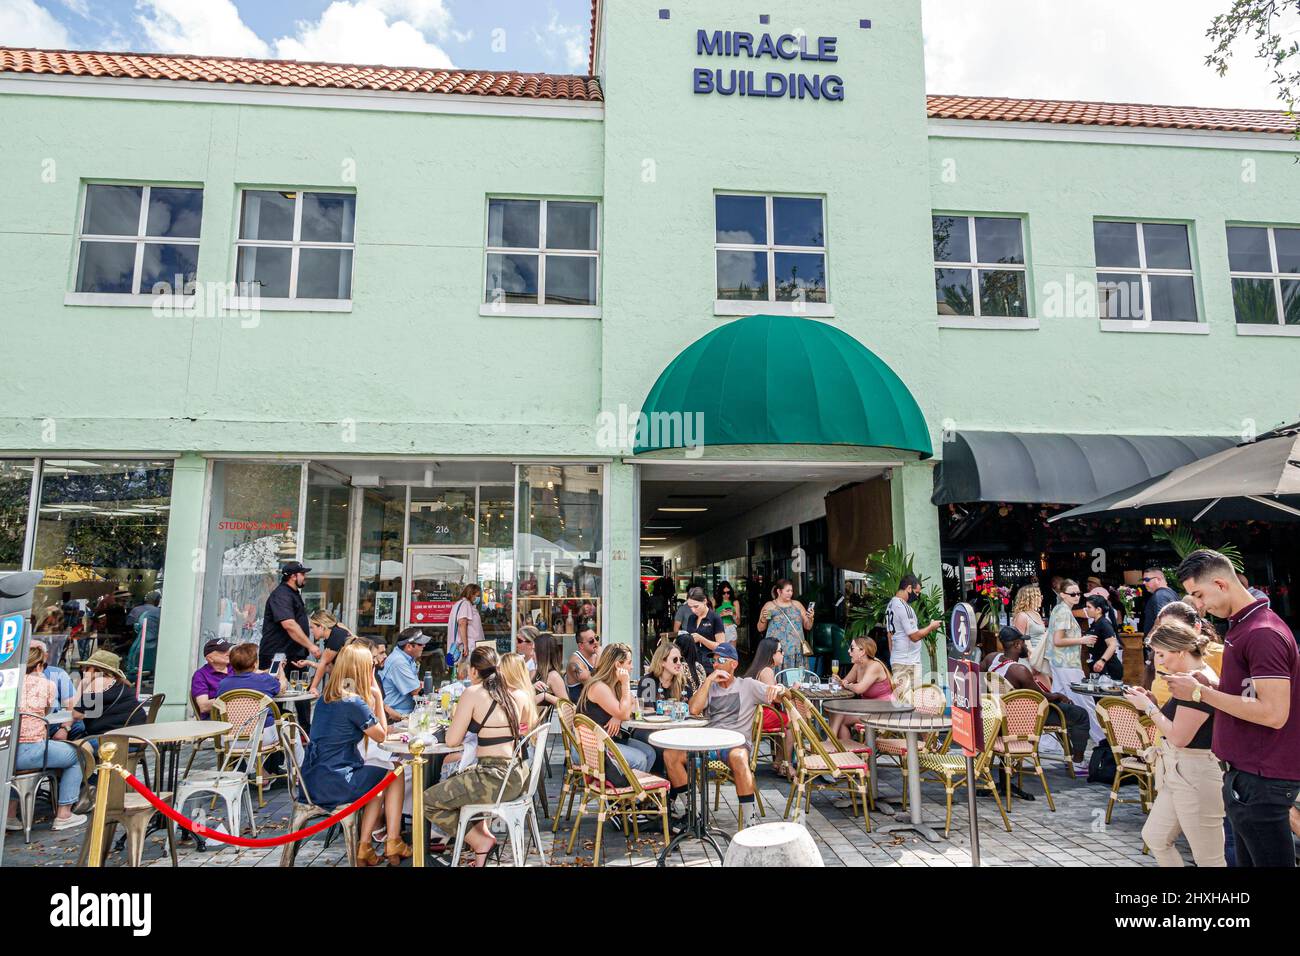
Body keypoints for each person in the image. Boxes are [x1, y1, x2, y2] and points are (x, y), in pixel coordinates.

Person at [1173, 548, 1300, 868]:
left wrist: (1201, 693)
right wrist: (1214, 689)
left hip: (1261, 778)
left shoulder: (1262, 632)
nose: (1198, 607)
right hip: (1248, 775)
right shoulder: (1245, 626)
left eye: (1199, 595)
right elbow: (1250, 697)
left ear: (1221, 583)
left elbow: (1273, 712)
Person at [1123, 619, 1225, 867]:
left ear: (1179, 652)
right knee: (1155, 836)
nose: (1159, 661)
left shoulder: (1195, 681)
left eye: (1161, 654)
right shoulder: (1188, 678)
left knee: (1208, 859)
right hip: (1179, 769)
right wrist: (1154, 704)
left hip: (1195, 773)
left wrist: (1148, 708)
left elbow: (1180, 736)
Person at [300, 643, 410, 866]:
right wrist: (378, 696)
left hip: (312, 780)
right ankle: (392, 840)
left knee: (379, 777)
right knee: (396, 771)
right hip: (337, 781)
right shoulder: (353, 702)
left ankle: (366, 845)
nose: (374, 668)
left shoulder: (326, 698)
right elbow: (381, 735)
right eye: (371, 665)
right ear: (363, 669)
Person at [423, 645, 533, 866]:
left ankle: (479, 841)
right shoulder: (516, 694)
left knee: (428, 800)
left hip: (493, 778)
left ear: (473, 671)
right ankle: (480, 852)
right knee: (459, 780)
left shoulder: (473, 693)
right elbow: (524, 728)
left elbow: (453, 740)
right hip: (519, 775)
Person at [663, 642, 787, 828]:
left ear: (734, 664)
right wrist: (707, 682)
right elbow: (694, 709)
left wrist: (781, 689)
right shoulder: (710, 688)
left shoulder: (748, 686)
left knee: (739, 757)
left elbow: (782, 697)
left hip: (735, 745)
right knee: (670, 755)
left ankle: (750, 824)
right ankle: (694, 815)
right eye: (714, 661)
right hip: (709, 746)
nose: (716, 665)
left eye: (721, 660)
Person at [984, 626, 1091, 778]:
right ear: (1016, 645)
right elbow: (1041, 697)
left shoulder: (991, 658)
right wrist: (1058, 695)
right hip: (1024, 718)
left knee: (1066, 710)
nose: (1025, 646)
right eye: (1023, 643)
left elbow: (979, 681)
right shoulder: (1019, 670)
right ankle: (1078, 762)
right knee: (1080, 715)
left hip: (1001, 715)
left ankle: (1072, 755)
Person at [5, 646, 86, 833]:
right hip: (32, 750)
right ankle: (64, 814)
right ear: (39, 665)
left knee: (14, 767)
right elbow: (47, 712)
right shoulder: (45, 683)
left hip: (7, 751)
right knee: (78, 755)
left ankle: (10, 815)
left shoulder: (8, 684)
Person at [577, 642, 656, 774]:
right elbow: (625, 713)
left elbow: (633, 702)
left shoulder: (614, 685)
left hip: (608, 741)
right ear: (618, 665)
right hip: (593, 748)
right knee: (640, 759)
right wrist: (625, 683)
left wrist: (617, 716)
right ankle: (629, 792)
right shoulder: (599, 687)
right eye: (629, 663)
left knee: (650, 753)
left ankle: (634, 791)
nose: (632, 667)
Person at [1041, 579, 1102, 742]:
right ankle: (1101, 740)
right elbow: (1058, 640)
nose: (1077, 597)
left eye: (1078, 593)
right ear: (1062, 595)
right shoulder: (1063, 611)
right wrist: (1082, 640)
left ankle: (1048, 743)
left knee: (1058, 702)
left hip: (1062, 663)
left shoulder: (1061, 610)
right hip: (1067, 664)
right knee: (1085, 701)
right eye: (1072, 594)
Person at [742, 637, 795, 779]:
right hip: (761, 715)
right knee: (791, 722)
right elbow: (775, 697)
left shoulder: (759, 669)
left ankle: (778, 761)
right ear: (771, 654)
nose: (783, 654)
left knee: (783, 717)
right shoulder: (767, 671)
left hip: (755, 713)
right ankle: (787, 764)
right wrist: (790, 690)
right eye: (780, 651)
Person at [882, 574, 941, 703]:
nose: (918, 596)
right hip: (908, 664)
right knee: (911, 704)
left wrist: (894, 657)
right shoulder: (904, 607)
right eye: (916, 592)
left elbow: (889, 635)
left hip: (900, 660)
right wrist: (931, 627)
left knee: (902, 702)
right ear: (909, 588)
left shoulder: (891, 605)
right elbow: (914, 637)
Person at [828, 636, 893, 745]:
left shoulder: (874, 666)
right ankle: (845, 750)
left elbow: (859, 689)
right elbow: (846, 682)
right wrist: (840, 681)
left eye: (852, 648)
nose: (849, 651)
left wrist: (847, 685)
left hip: (883, 710)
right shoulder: (858, 665)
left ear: (862, 651)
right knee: (837, 714)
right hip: (867, 707)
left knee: (839, 717)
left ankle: (832, 742)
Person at [259, 562, 321, 671]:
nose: (305, 577)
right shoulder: (281, 595)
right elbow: (289, 624)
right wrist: (311, 646)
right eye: (302, 574)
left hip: (293, 654)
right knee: (277, 687)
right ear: (293, 576)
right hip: (278, 656)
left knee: (296, 686)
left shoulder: (293, 593)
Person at [70, 650, 145, 741]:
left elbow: (77, 714)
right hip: (137, 738)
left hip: (111, 743)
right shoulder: (122, 682)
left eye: (87, 668)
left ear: (96, 669)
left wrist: (82, 685)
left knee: (69, 747)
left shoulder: (98, 682)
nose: (83, 671)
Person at [758, 578, 815, 678]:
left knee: (797, 684)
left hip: (796, 652)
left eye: (791, 591)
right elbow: (760, 628)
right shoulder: (770, 606)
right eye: (787, 591)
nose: (790, 593)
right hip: (776, 653)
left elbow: (808, 626)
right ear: (779, 591)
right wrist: (763, 618)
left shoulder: (797, 605)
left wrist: (811, 618)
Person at [379, 628, 428, 717]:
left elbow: (416, 687)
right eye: (420, 644)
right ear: (409, 647)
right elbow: (416, 691)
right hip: (396, 715)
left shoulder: (408, 657)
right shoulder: (399, 661)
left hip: (405, 712)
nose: (424, 646)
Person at [1140, 567, 1179, 671]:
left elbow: (1163, 619)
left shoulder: (1160, 595)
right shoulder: (1172, 593)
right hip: (1169, 645)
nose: (1144, 583)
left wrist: (1149, 638)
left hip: (1160, 647)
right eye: (1143, 580)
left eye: (1147, 580)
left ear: (1158, 579)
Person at [307, 609, 352, 696]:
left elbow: (323, 663)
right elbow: (330, 667)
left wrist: (313, 687)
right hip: (347, 678)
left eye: (312, 627)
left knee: (346, 704)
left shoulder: (336, 635)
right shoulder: (333, 635)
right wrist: (309, 663)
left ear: (321, 626)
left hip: (351, 678)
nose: (311, 631)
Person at [679, 587, 727, 662]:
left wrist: (701, 639)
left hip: (711, 662)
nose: (693, 610)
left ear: (705, 601)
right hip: (693, 661)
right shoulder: (692, 618)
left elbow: (721, 647)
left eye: (696, 606)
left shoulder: (715, 618)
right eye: (690, 607)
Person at [123, 590, 161, 684]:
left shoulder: (137, 610)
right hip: (152, 647)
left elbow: (128, 626)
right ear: (157, 600)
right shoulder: (158, 612)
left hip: (138, 645)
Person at [446, 584, 485, 676]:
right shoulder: (465, 604)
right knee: (468, 673)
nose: (478, 598)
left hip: (467, 645)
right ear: (470, 594)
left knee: (464, 672)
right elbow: (462, 623)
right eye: (477, 595)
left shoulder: (460, 604)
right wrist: (466, 645)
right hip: (468, 646)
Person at [1082, 595, 1123, 680]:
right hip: (1097, 665)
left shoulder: (1104, 624)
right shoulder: (1095, 623)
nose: (1086, 609)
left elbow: (1112, 645)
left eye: (1089, 607)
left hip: (1108, 667)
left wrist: (1102, 661)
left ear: (1098, 610)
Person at [190, 637, 233, 718]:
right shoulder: (201, 675)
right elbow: (204, 706)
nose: (228, 653)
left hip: (239, 716)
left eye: (228, 649)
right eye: (222, 651)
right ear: (210, 658)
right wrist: (233, 699)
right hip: (214, 719)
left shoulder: (236, 668)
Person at [499, 652, 540, 734]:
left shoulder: (517, 695)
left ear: (508, 673)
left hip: (518, 743)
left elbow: (512, 727)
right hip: (520, 740)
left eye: (499, 669)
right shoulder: (522, 691)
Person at [30, 639, 77, 710]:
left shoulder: (58, 674)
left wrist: (65, 721)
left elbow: (72, 705)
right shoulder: (16, 675)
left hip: (54, 720)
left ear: (46, 656)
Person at [564, 626, 601, 703]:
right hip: (582, 709)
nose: (595, 642)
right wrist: (599, 658)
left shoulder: (596, 655)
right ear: (581, 646)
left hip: (596, 703)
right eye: (591, 641)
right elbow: (594, 686)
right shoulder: (575, 663)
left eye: (596, 638)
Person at [532, 631, 568, 709]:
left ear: (542, 653)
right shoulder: (538, 674)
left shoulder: (553, 676)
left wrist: (545, 696)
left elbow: (567, 706)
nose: (532, 654)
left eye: (534, 651)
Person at [1011, 584, 1047, 657]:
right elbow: (1020, 642)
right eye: (1039, 596)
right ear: (1031, 598)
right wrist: (1032, 659)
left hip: (1041, 654)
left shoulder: (1037, 614)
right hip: (1031, 658)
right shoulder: (1022, 616)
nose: (1041, 598)